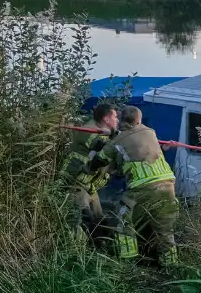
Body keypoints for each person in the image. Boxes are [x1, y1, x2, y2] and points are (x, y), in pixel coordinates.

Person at [88, 105, 180, 267]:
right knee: (164, 228)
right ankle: (171, 266)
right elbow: (136, 144)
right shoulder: (150, 132)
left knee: (122, 222)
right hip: (168, 186)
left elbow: (99, 161)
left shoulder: (117, 141)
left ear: (121, 120)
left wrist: (98, 149)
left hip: (141, 188)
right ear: (139, 120)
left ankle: (127, 263)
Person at [61, 102, 118, 246]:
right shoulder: (88, 130)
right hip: (76, 183)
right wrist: (114, 134)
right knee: (78, 221)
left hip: (89, 185)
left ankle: (98, 246)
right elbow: (102, 147)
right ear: (106, 119)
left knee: (99, 219)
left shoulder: (104, 132)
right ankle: (76, 251)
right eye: (115, 117)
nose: (117, 120)